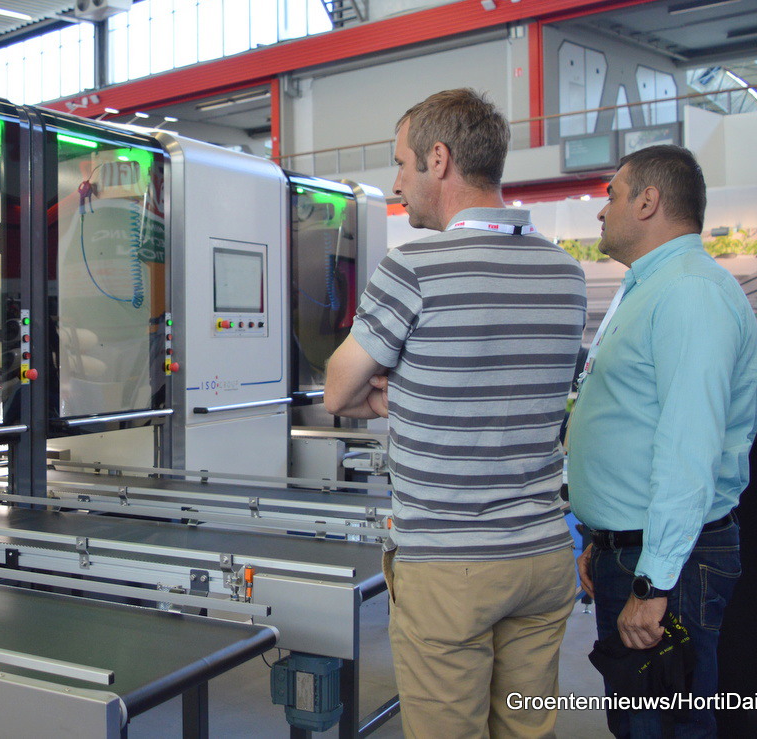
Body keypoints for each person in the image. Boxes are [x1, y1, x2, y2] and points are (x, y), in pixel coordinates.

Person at [323, 89, 587, 737]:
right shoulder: (565, 273)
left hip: (449, 565)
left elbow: (337, 390)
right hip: (543, 552)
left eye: (402, 163)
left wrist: (392, 393)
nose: (397, 183)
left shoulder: (413, 268)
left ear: (438, 159)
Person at [566, 145, 757, 737]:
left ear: (648, 201)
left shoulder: (689, 293)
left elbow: (687, 452)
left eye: (612, 196)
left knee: (666, 727)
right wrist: (604, 542)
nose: (601, 211)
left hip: (670, 565)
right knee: (638, 724)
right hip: (634, 551)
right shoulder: (653, 287)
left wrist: (652, 582)